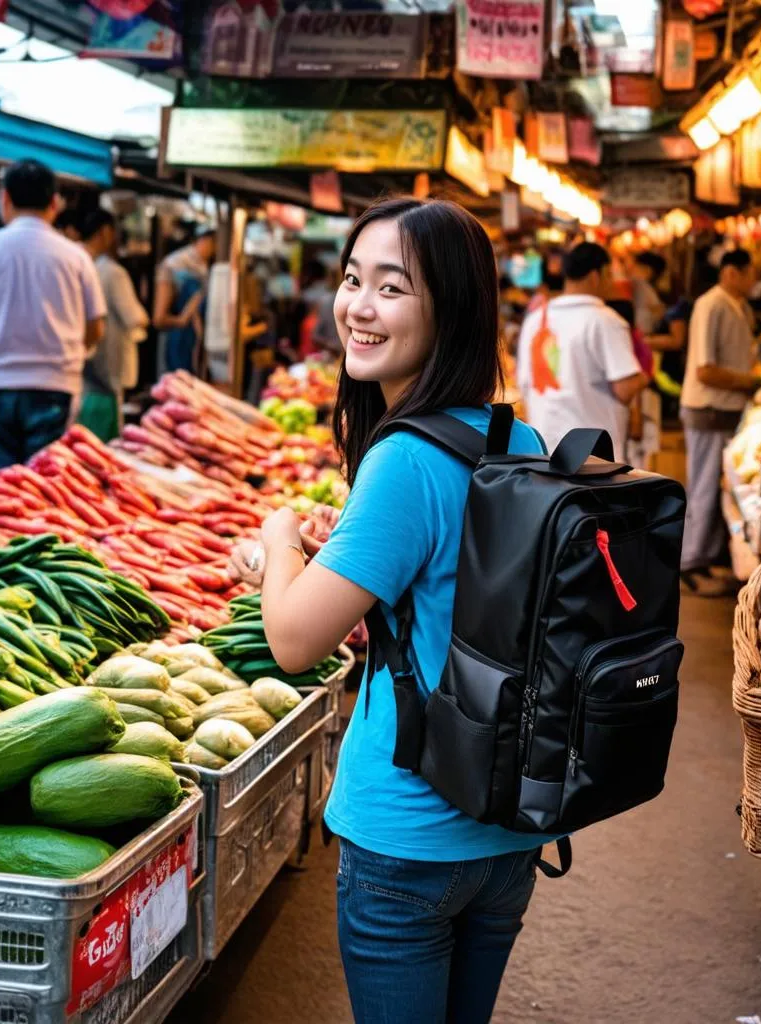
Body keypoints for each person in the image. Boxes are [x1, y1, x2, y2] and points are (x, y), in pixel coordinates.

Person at [229, 197, 549, 1024]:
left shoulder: (405, 459)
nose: (357, 307)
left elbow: (295, 640)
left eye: (391, 287)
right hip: (507, 828)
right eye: (350, 280)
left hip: (408, 833)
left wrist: (278, 534)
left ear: (451, 306)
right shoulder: (520, 444)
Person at [0, 159, 106, 469]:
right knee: (43, 500)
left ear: (4, 199)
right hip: (54, 389)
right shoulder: (77, 257)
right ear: (54, 203)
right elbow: (95, 330)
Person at [679, 247, 761, 597]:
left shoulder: (740, 307)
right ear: (732, 272)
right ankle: (691, 563)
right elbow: (705, 370)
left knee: (717, 487)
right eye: (751, 273)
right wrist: (751, 381)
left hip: (727, 410)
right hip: (708, 408)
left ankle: (708, 558)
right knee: (702, 487)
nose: (755, 280)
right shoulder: (710, 304)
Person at [517, 241, 648, 459]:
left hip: (543, 452)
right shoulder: (605, 320)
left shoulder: (536, 319)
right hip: (592, 459)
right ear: (597, 275)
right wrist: (644, 375)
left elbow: (524, 383)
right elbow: (624, 390)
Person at [78, 209, 149, 441]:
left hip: (83, 368)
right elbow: (135, 317)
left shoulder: (81, 264)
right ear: (106, 232)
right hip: (109, 367)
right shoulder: (112, 272)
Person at [152, 228, 214, 375]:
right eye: (212, 244)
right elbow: (159, 319)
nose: (212, 250)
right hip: (176, 341)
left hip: (192, 344)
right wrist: (183, 319)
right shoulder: (174, 264)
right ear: (203, 240)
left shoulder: (202, 267)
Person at [631, 251, 667, 337]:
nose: (631, 269)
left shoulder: (640, 284)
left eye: (636, 266)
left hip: (642, 333)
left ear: (647, 270)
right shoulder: (649, 289)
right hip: (646, 332)